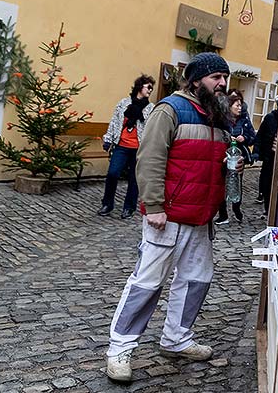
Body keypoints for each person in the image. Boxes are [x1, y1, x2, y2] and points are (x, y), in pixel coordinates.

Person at [105, 53, 241, 383]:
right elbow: (149, 158)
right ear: (196, 80)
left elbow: (210, 161)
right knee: (147, 283)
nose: (222, 83)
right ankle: (119, 348)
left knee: (197, 279)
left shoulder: (216, 115)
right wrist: (153, 206)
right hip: (167, 216)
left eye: (225, 76)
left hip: (201, 216)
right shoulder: (170, 109)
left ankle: (176, 338)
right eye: (215, 77)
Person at [98, 75, 155, 219]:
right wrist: (108, 139)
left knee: (134, 178)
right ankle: (107, 204)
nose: (150, 90)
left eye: (152, 88)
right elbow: (114, 122)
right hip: (121, 146)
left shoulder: (151, 108)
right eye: (148, 87)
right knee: (113, 173)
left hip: (139, 148)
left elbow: (152, 129)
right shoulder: (124, 103)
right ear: (139, 87)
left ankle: (129, 207)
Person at [215, 90, 256, 225]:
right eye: (236, 105)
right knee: (221, 184)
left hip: (239, 157)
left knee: (236, 183)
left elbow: (252, 138)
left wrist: (244, 138)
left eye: (240, 105)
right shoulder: (222, 120)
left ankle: (236, 208)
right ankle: (223, 214)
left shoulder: (244, 120)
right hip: (224, 155)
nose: (239, 108)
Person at [254, 94, 278, 217]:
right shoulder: (270, 118)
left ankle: (274, 208)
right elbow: (260, 135)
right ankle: (267, 207)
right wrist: (257, 152)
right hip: (268, 157)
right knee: (266, 184)